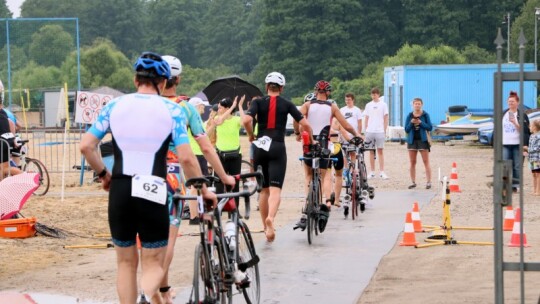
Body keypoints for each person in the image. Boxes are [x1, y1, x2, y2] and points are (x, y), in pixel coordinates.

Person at [79, 52, 216, 304]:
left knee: (125, 263)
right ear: (163, 82)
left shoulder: (114, 106)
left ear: (135, 80)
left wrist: (104, 174)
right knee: (153, 262)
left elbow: (87, 146)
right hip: (153, 187)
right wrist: (204, 190)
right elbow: (186, 158)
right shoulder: (173, 110)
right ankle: (146, 294)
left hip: (120, 187)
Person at [156, 55, 235, 304]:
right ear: (178, 79)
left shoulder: (145, 104)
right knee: (168, 239)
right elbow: (206, 149)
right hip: (169, 176)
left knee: (148, 240)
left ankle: (163, 290)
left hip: (136, 176)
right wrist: (224, 176)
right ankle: (157, 289)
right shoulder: (184, 107)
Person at [243, 72, 312, 242]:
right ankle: (271, 219)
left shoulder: (257, 102)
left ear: (267, 87)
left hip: (260, 147)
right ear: (281, 88)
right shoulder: (287, 104)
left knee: (264, 190)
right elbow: (305, 124)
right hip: (277, 147)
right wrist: (310, 137)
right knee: (275, 190)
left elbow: (245, 120)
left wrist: (251, 134)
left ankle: (266, 228)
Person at [295, 80, 360, 231]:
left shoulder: (307, 105)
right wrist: (357, 134)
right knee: (324, 176)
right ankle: (325, 201)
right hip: (324, 144)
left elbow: (296, 118)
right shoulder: (332, 107)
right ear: (328, 92)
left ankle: (308, 204)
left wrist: (298, 132)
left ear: (315, 91)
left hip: (309, 143)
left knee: (308, 176)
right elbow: (346, 125)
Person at [213, 96, 245, 207]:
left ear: (226, 109)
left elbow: (244, 122)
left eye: (220, 108)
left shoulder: (236, 120)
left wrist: (239, 106)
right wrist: (232, 107)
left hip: (235, 155)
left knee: (235, 183)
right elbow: (220, 120)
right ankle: (219, 207)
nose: (218, 110)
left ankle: (235, 208)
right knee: (219, 182)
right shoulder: (217, 118)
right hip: (220, 155)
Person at [502, 91, 531, 193]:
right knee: (505, 165)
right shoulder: (503, 114)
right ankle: (505, 186)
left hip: (517, 144)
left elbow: (526, 131)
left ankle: (514, 186)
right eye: (509, 101)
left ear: (517, 102)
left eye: (513, 101)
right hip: (505, 143)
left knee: (517, 166)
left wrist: (515, 122)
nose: (510, 103)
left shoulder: (522, 115)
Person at [404, 98, 433, 189]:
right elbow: (406, 129)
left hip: (423, 140)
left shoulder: (425, 115)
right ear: (413, 105)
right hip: (412, 141)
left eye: (419, 104)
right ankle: (413, 182)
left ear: (422, 104)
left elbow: (430, 127)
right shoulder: (409, 116)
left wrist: (420, 122)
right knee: (412, 162)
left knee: (426, 161)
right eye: (415, 104)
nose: (417, 105)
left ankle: (428, 182)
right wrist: (411, 123)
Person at [363, 87, 389, 179]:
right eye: (372, 94)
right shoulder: (368, 105)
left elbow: (386, 117)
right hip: (370, 130)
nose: (374, 96)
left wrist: (384, 129)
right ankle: (372, 171)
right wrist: (366, 129)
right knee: (371, 151)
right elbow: (366, 117)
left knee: (380, 151)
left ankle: (382, 171)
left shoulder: (383, 104)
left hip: (379, 130)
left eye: (375, 94)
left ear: (378, 94)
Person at [0, 98, 22, 180]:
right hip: (9, 140)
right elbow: (13, 125)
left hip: (3, 143)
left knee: (5, 168)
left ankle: (25, 176)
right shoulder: (3, 112)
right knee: (2, 168)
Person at [524, 119, 540, 195]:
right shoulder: (531, 136)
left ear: (535, 127)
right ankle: (534, 190)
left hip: (537, 159)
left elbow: (538, 148)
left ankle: (538, 190)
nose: (529, 127)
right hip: (531, 159)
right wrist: (526, 152)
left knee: (538, 174)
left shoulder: (539, 136)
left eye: (531, 126)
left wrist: (528, 149)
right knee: (533, 174)